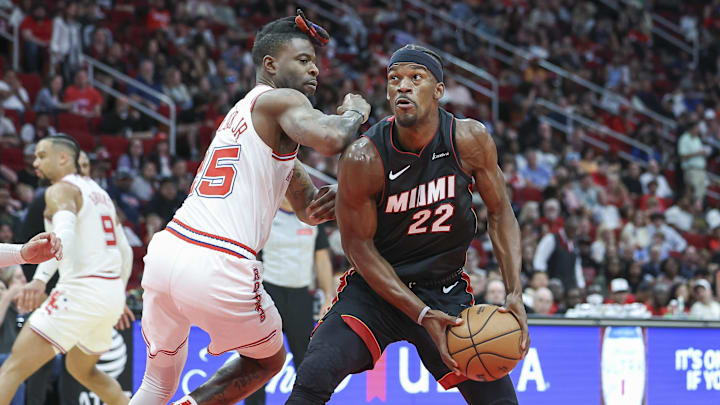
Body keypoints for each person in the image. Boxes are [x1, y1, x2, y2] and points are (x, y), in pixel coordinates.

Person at [130, 10, 371, 405]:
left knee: (157, 384)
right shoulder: (281, 99)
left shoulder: (246, 117)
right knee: (266, 361)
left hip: (168, 251)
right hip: (218, 260)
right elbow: (331, 139)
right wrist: (355, 112)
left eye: (316, 62)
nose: (315, 70)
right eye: (304, 60)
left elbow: (307, 209)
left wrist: (330, 201)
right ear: (271, 65)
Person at [285, 44, 528, 405]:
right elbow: (358, 249)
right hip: (375, 291)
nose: (403, 86)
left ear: (439, 90)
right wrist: (418, 313)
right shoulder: (363, 156)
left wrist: (514, 291)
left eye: (416, 78)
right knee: (315, 371)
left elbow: (500, 212)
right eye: (394, 79)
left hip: (442, 290)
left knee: (498, 400)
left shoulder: (469, 139)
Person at [0, 135, 133, 405]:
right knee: (82, 369)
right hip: (109, 294)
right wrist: (118, 292)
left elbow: (64, 236)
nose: (34, 161)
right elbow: (126, 250)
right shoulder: (101, 193)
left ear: (62, 158)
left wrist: (40, 279)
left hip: (79, 292)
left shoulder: (59, 190)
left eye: (41, 155)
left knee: (12, 368)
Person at [245, 198, 335, 405]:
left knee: (305, 362)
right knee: (258, 362)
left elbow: (321, 258)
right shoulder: (264, 215)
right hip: (268, 294)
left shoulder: (313, 218)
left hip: (301, 297)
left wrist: (328, 295)